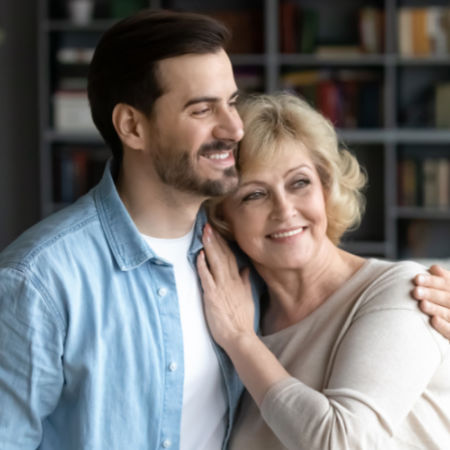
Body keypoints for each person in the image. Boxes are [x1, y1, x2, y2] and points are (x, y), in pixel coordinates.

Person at [0, 8, 449, 450]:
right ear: (132, 126)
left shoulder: (242, 276)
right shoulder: (41, 281)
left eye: (231, 101)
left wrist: (241, 341)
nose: (233, 128)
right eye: (202, 109)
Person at [198, 92, 450, 449]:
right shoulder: (239, 311)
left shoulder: (399, 290)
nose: (284, 210)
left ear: (326, 188)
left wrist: (242, 343)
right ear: (223, 218)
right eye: (254, 194)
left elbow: (342, 443)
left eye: (299, 183)